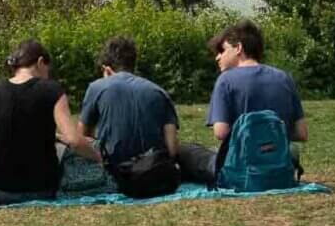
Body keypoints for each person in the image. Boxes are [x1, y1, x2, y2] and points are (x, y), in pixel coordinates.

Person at [0, 39, 101, 203]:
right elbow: (75, 140)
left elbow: (6, 128)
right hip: (43, 190)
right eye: (47, 70)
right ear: (40, 62)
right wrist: (99, 158)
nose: (47, 75)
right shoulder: (52, 89)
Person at [176, 19, 307, 186]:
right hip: (279, 163)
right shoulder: (284, 78)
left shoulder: (226, 80)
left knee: (184, 150)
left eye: (222, 50)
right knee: (291, 150)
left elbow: (221, 132)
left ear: (238, 48)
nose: (218, 57)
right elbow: (301, 133)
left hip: (241, 168)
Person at [78, 37, 182, 198]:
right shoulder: (159, 91)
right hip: (154, 172)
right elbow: (172, 148)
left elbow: (81, 137)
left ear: (106, 69)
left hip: (116, 174)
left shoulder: (96, 87)